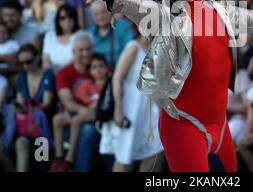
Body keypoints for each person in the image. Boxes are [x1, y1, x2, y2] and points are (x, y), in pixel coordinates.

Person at [71, 0, 253, 172]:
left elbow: (245, 17)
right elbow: (139, 5)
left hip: (221, 125)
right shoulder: (161, 15)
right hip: (183, 125)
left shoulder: (218, 6)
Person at [99, 25, 164, 172]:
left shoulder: (159, 51)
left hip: (151, 108)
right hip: (130, 107)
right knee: (124, 154)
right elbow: (117, 78)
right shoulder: (133, 47)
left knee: (155, 151)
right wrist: (118, 110)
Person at [51, 31, 99, 172]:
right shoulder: (64, 73)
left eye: (88, 49)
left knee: (89, 130)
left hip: (96, 119)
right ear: (73, 51)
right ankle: (62, 160)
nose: (85, 53)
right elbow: (67, 102)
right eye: (80, 50)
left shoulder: (99, 68)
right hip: (72, 121)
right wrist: (84, 111)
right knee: (86, 130)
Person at [14, 43, 55, 172]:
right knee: (21, 144)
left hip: (44, 126)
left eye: (29, 61)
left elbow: (47, 103)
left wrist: (29, 109)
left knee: (41, 164)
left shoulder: (48, 74)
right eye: (21, 63)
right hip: (26, 124)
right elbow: (19, 99)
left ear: (38, 58)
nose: (25, 66)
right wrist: (21, 108)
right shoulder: (22, 75)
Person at [88, 0, 134, 67]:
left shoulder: (122, 26)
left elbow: (130, 50)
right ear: (92, 17)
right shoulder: (90, 33)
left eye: (103, 12)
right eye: (96, 14)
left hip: (122, 68)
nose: (100, 17)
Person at [42, 4, 79, 71]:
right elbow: (45, 59)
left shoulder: (81, 36)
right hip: (52, 75)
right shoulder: (49, 36)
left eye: (70, 16)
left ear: (75, 18)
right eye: (63, 18)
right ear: (58, 21)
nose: (67, 20)